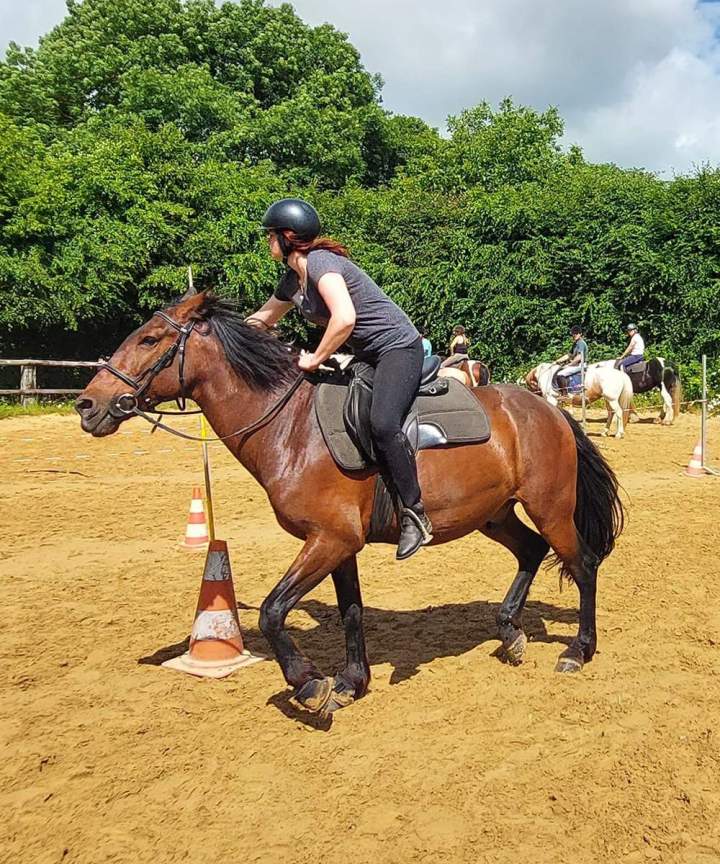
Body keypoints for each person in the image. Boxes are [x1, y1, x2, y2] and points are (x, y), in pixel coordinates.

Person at [249, 198, 432, 560]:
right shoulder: (293, 280)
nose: (268, 242)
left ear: (287, 237)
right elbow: (263, 319)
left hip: (397, 349)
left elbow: (344, 318)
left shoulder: (322, 264)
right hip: (367, 355)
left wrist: (316, 358)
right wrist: (223, 340)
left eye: (270, 236)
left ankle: (414, 513)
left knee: (382, 423)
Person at [555, 325, 588, 392]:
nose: (575, 335)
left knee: (560, 374)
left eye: (576, 333)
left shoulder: (581, 343)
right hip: (576, 364)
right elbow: (568, 355)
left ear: (580, 334)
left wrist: (570, 364)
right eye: (573, 333)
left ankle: (565, 394)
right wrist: (556, 361)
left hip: (581, 365)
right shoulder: (575, 344)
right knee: (559, 369)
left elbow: (579, 357)